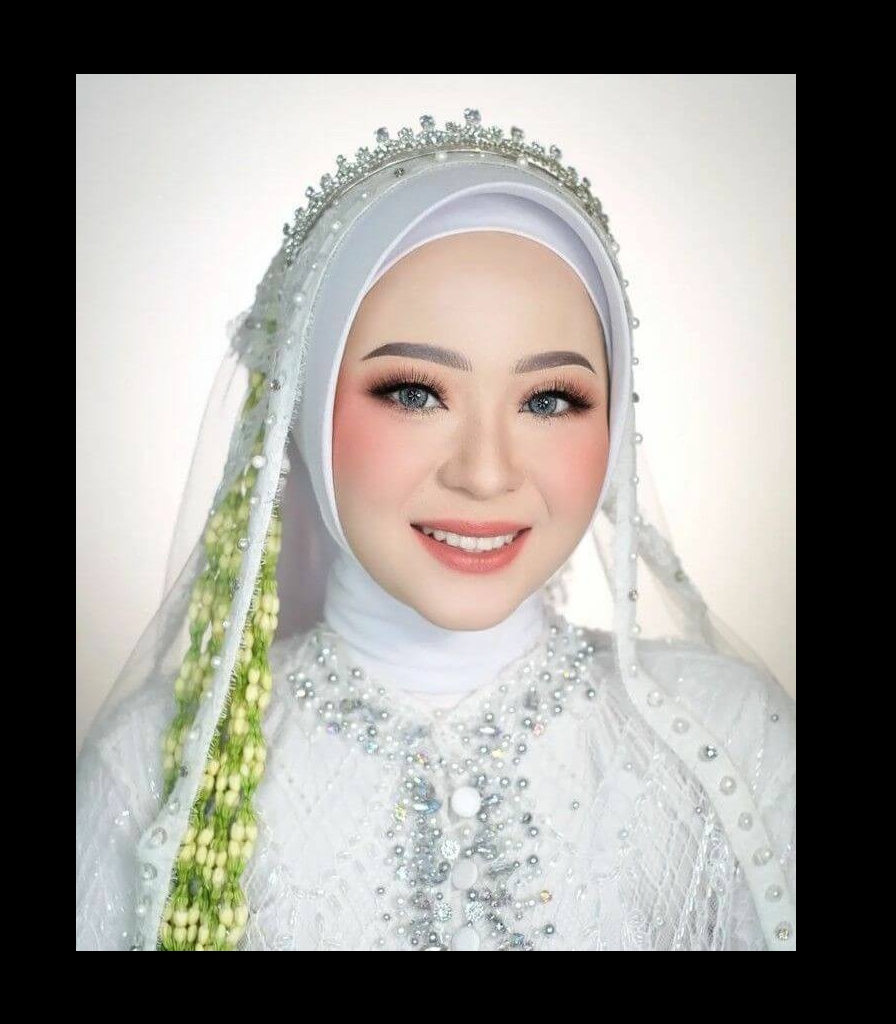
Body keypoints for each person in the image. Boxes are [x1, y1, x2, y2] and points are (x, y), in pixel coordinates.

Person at [76, 110, 795, 951]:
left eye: (549, 400)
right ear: (303, 408)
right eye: (415, 393)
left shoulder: (725, 743)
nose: (485, 473)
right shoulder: (156, 767)